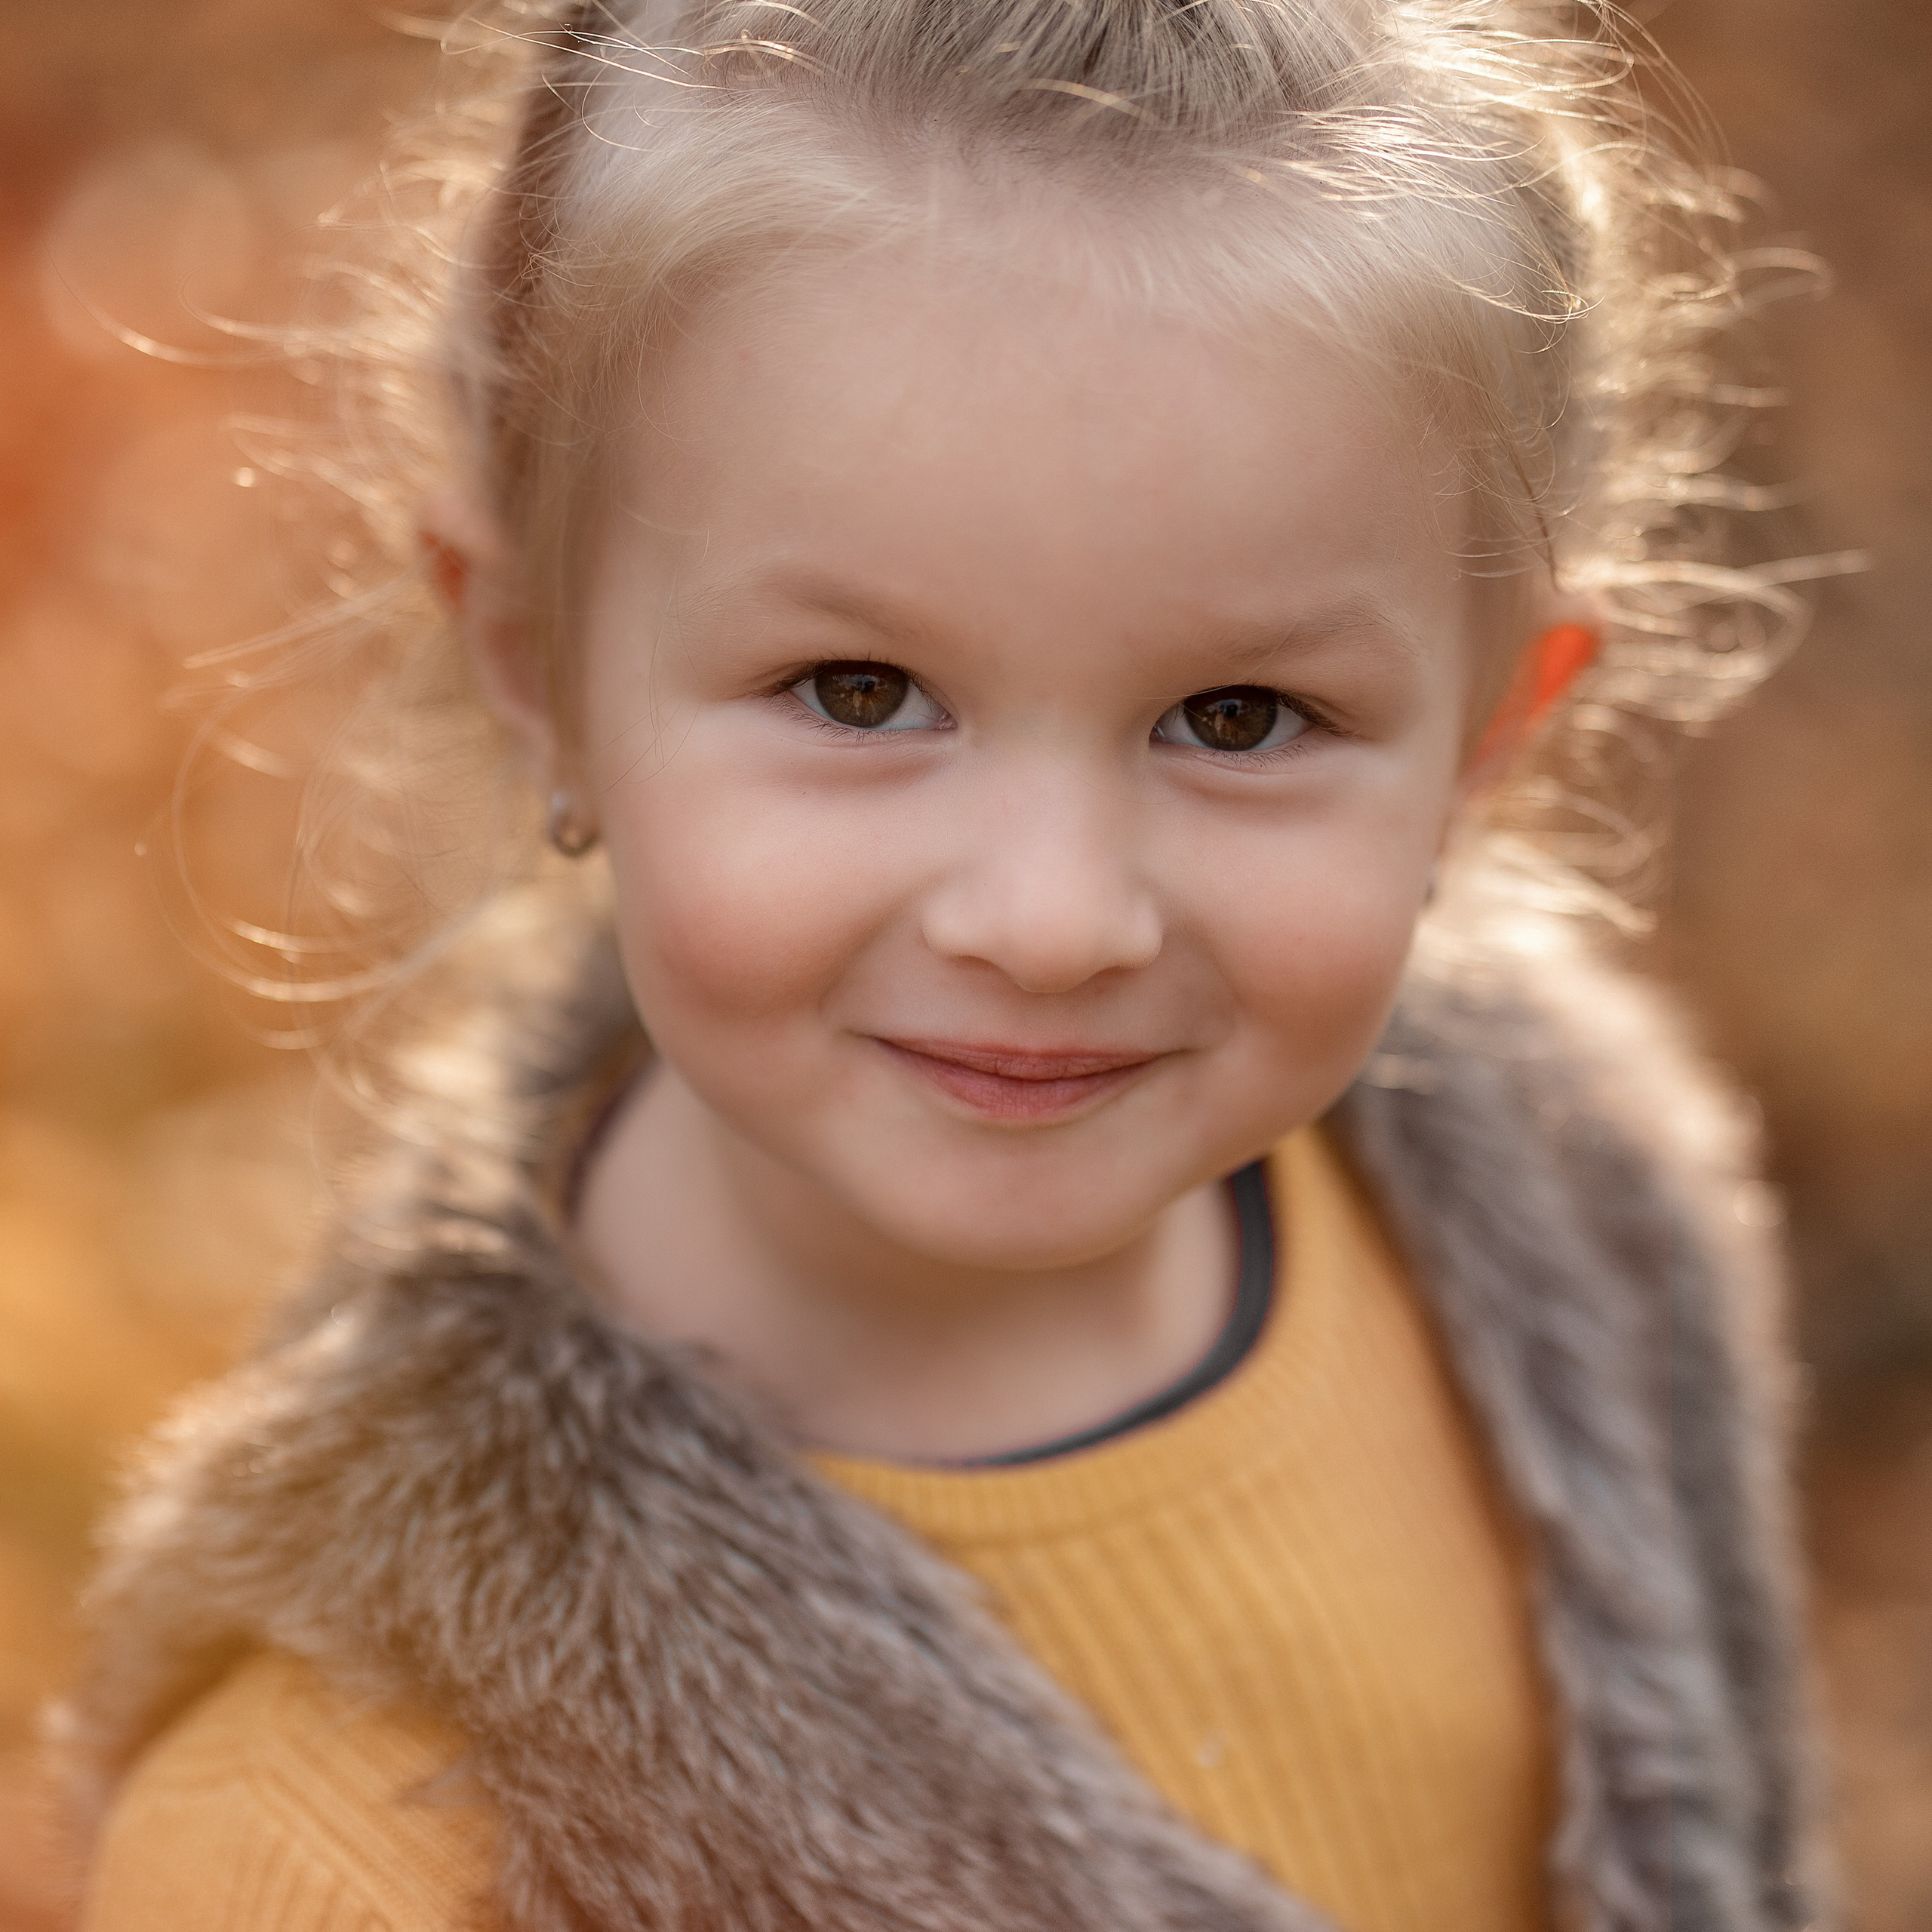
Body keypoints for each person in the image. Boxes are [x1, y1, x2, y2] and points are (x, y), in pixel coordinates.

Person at [60, 3, 1823, 1929]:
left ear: (1493, 730)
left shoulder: (1582, 1229)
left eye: (1237, 716)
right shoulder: (342, 1841)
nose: (1051, 920)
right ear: (533, 662)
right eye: (858, 690)